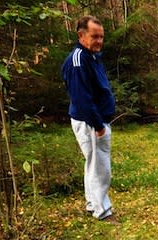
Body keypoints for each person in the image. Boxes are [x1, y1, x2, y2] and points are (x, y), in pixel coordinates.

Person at [62, 15, 117, 222]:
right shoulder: (77, 60)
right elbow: (82, 98)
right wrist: (97, 125)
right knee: (100, 167)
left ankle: (92, 204)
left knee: (93, 163)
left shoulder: (92, 56)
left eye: (101, 37)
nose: (99, 41)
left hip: (96, 120)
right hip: (89, 122)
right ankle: (102, 211)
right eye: (95, 36)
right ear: (81, 35)